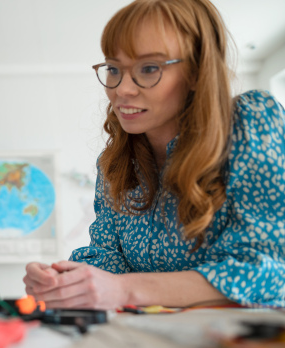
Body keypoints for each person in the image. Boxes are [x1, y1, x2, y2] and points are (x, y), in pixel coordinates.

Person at [23, 0, 285, 310]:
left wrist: (126, 290)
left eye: (148, 69)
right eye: (113, 69)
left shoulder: (251, 123)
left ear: (197, 71)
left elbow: (268, 270)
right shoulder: (114, 166)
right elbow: (108, 258)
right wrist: (67, 281)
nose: (122, 89)